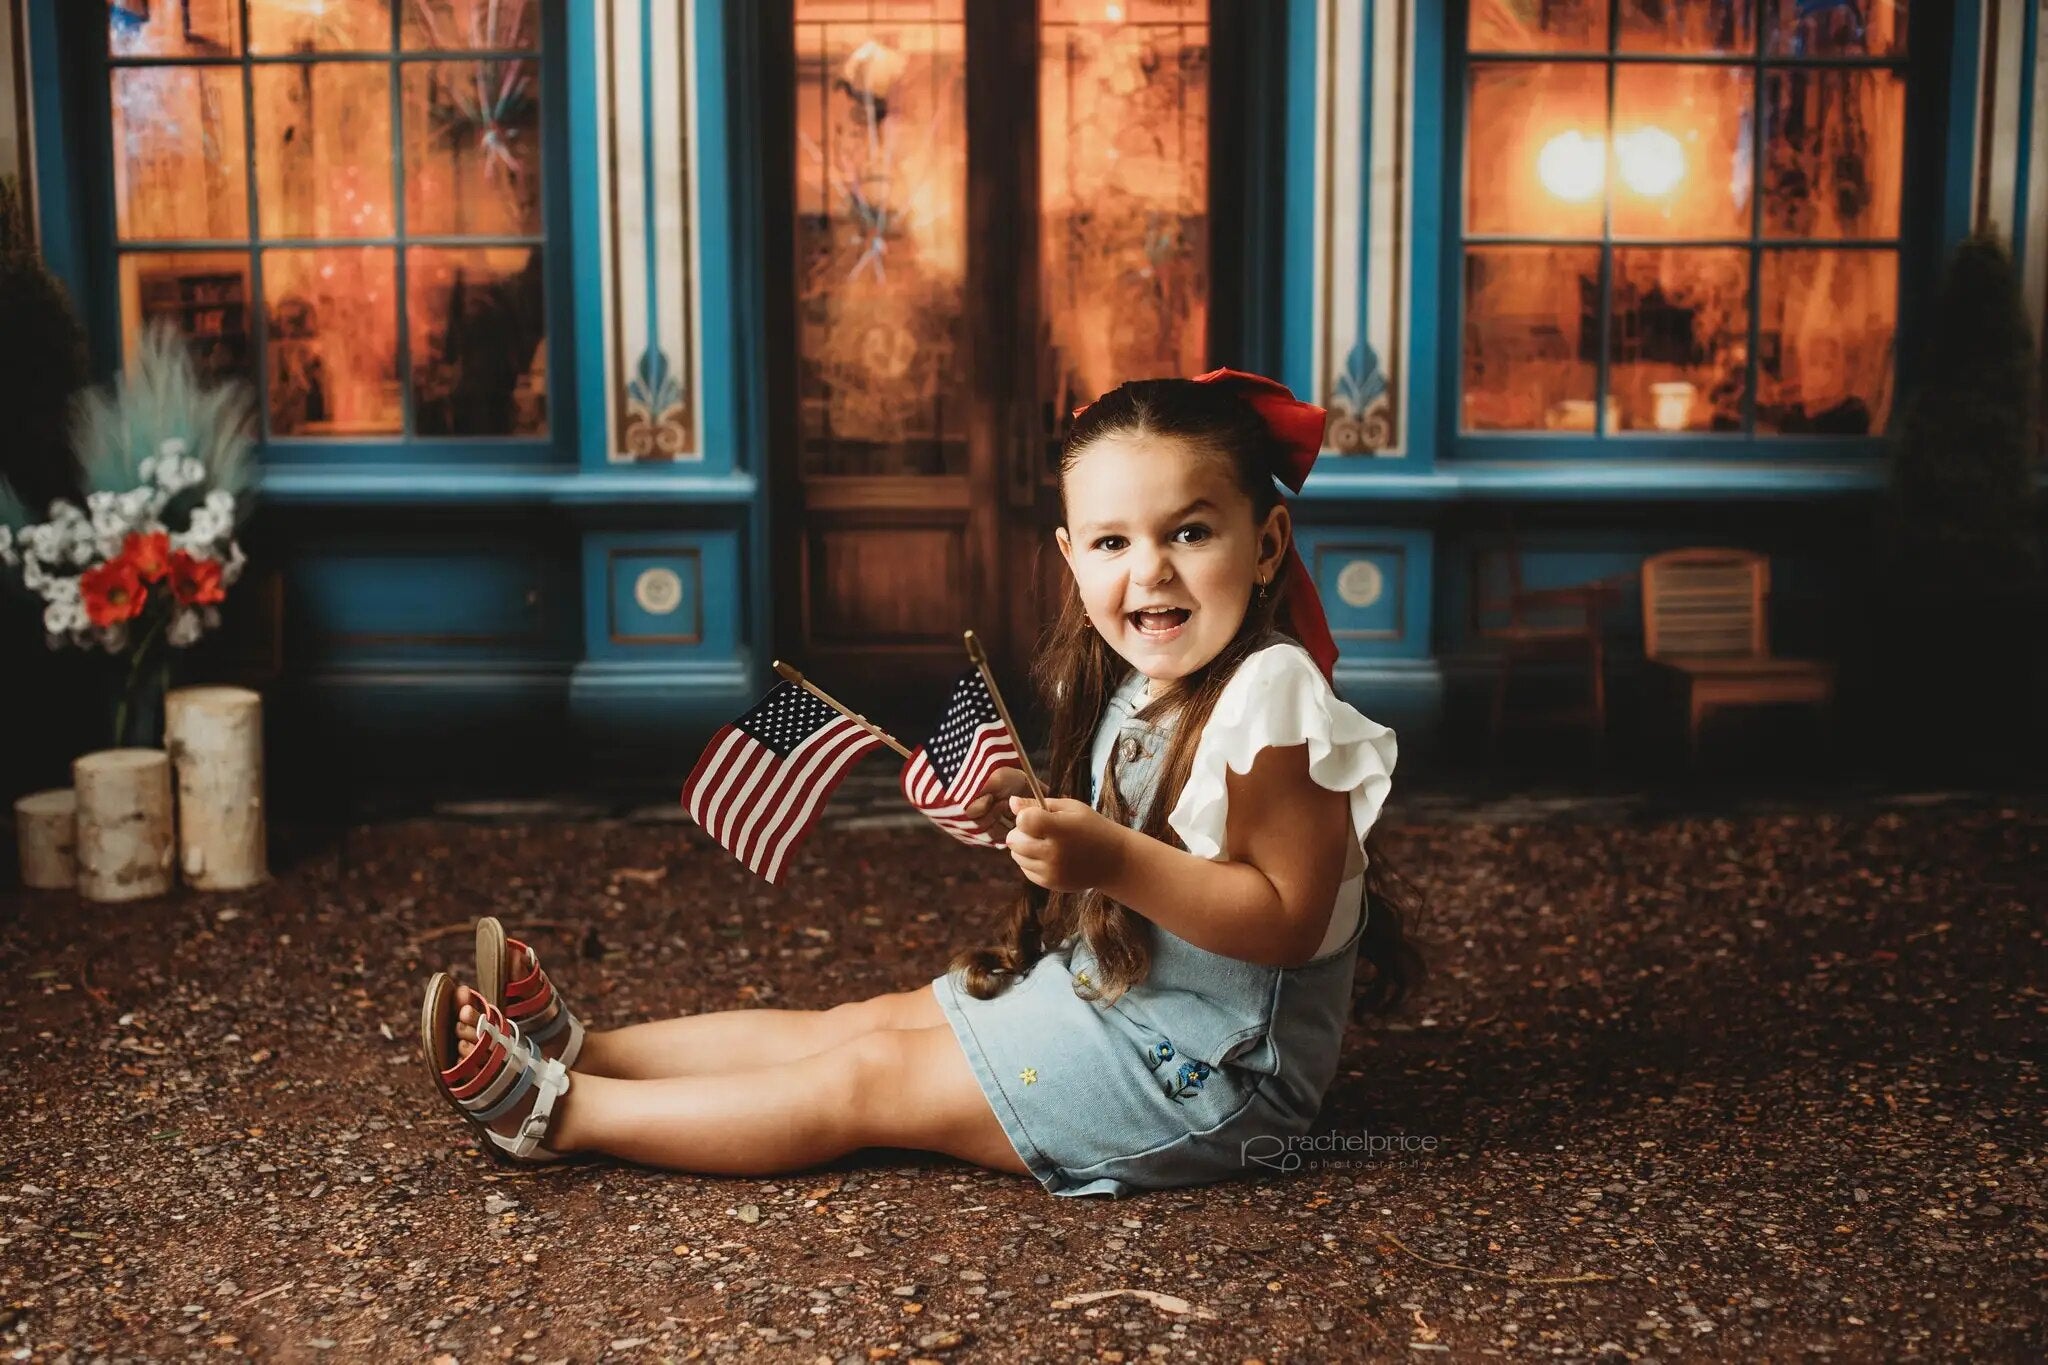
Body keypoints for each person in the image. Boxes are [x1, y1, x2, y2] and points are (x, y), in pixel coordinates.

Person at [419, 369, 1420, 1196]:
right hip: (1117, 1002)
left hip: (1214, 1081)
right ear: (1071, 558)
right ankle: (587, 1045)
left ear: (1265, 547)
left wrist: (1107, 858)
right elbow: (1142, 858)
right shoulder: (1142, 679)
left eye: (1189, 533)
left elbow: (1285, 918)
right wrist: (1049, 835)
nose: (1148, 570)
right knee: (862, 1022)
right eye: (1113, 541)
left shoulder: (1272, 695)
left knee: (868, 1078)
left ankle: (558, 1115)